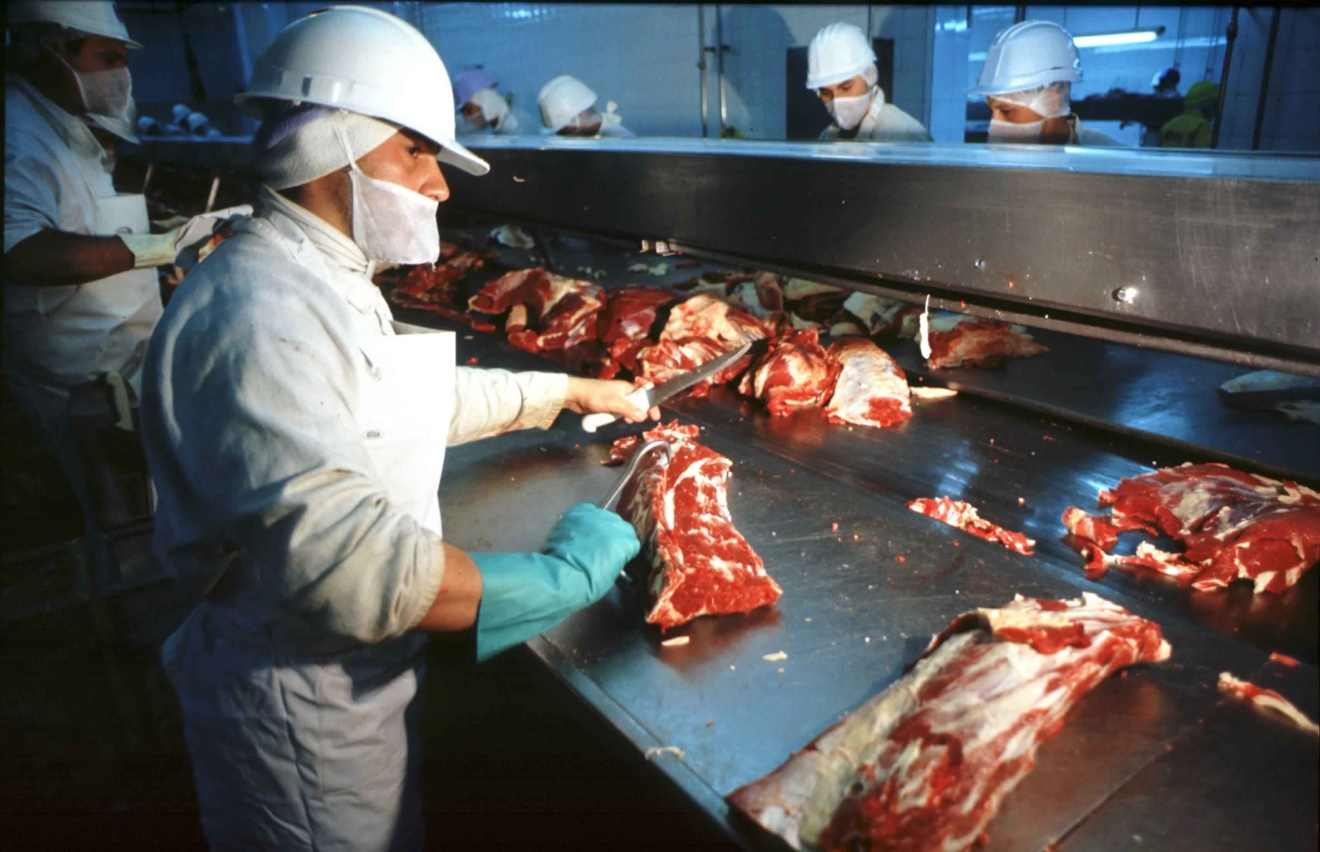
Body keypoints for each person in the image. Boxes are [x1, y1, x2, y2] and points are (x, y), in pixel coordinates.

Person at [140, 7, 653, 850]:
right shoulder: (262, 312)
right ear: (328, 144)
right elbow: (349, 567)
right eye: (416, 150)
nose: (440, 185)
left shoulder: (316, 274)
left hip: (348, 676)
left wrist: (562, 390)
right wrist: (551, 583)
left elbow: (398, 401)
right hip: (300, 702)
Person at [4, 0, 248, 506]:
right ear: (48, 51)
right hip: (71, 370)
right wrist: (162, 247)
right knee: (115, 505)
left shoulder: (60, 124)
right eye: (106, 58)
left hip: (113, 351)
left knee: (148, 496)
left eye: (123, 59)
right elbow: (21, 251)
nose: (121, 73)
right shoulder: (17, 134)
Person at [970, 20, 1121, 146]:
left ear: (1051, 103)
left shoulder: (1109, 163)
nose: (992, 128)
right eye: (991, 112)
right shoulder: (993, 163)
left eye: (1007, 112)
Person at [807, 22, 931, 143]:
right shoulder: (827, 137)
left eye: (845, 87)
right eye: (826, 93)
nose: (837, 102)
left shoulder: (903, 134)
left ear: (870, 75)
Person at [538, 74, 633, 137]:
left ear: (582, 115)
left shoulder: (620, 142)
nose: (562, 137)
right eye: (561, 133)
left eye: (566, 132)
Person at [452, 67, 528, 136]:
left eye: (469, 110)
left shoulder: (520, 125)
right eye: (462, 112)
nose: (465, 117)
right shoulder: (485, 129)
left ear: (487, 103)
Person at [1159, 80, 1219, 149]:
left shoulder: (1168, 126)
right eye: (1215, 105)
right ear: (1208, 106)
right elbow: (1206, 154)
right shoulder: (1201, 128)